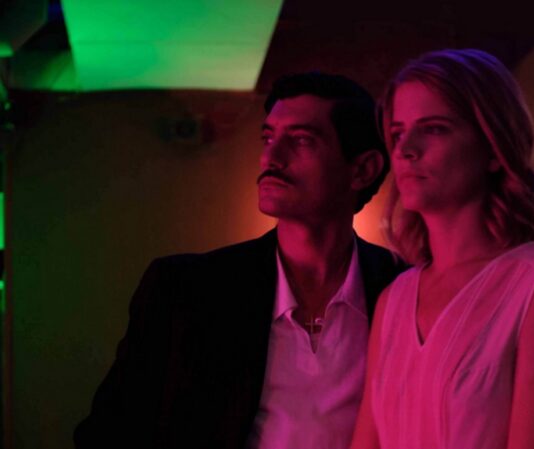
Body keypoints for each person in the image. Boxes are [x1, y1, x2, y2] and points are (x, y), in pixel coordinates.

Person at [75, 72, 407, 449]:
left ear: (362, 169)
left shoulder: (402, 290)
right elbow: (110, 431)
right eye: (268, 138)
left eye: (301, 140)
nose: (271, 157)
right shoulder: (187, 290)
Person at [350, 49, 534, 449]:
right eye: (398, 133)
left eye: (434, 128)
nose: (405, 149)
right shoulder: (393, 300)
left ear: (493, 148)